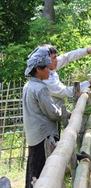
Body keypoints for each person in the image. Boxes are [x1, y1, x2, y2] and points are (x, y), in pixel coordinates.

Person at [23, 47, 70, 188]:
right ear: (38, 69)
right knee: (45, 172)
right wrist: (68, 114)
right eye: (47, 68)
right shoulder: (41, 89)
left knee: (33, 170)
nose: (50, 70)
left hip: (34, 135)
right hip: (44, 136)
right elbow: (53, 113)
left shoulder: (28, 86)